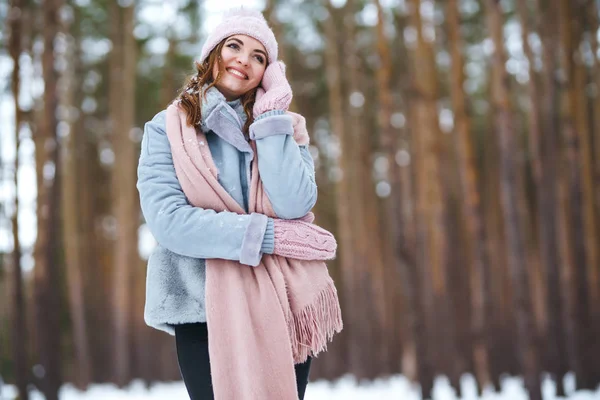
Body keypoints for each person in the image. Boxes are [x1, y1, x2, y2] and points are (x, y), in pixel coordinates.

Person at [137, 8, 343, 400]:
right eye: (234, 45)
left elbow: (294, 204)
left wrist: (270, 118)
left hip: (282, 299)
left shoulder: (285, 129)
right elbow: (169, 222)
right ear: (213, 53)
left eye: (259, 56)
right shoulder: (165, 130)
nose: (244, 60)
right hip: (200, 303)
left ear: (269, 73)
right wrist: (265, 236)